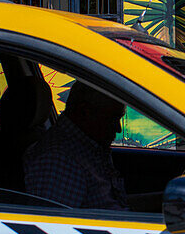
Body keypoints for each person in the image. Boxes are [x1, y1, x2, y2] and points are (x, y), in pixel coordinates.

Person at [23, 82, 128, 210]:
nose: (118, 129)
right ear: (85, 112)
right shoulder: (59, 161)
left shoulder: (83, 148)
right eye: (112, 119)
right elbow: (54, 224)